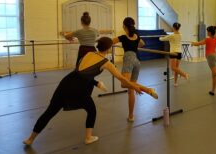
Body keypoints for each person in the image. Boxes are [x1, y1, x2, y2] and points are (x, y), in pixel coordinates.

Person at [23, 37, 158, 146]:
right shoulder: (106, 62)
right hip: (79, 89)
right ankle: (88, 137)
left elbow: (81, 72)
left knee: (50, 112)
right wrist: (140, 88)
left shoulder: (88, 53)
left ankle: (30, 139)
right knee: (91, 110)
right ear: (109, 48)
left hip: (65, 83)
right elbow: (122, 79)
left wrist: (96, 83)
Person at [113, 17, 156, 122]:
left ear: (124, 26)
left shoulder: (123, 37)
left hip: (128, 59)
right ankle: (131, 116)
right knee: (131, 88)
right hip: (137, 61)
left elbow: (110, 42)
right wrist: (135, 45)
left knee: (124, 84)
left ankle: (147, 89)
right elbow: (142, 44)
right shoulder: (137, 36)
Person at [61, 12, 111, 91]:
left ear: (81, 22)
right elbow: (97, 35)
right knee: (91, 70)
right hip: (93, 51)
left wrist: (68, 38)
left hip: (83, 50)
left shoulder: (78, 31)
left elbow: (66, 36)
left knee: (79, 70)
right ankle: (93, 85)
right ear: (90, 22)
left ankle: (90, 85)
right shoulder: (95, 31)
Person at [159, 22, 189, 86]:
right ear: (179, 28)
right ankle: (175, 82)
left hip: (173, 52)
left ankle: (184, 74)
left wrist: (160, 37)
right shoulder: (180, 35)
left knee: (173, 68)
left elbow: (162, 39)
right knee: (176, 68)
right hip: (179, 53)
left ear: (173, 27)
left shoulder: (171, 35)